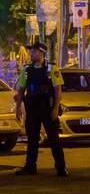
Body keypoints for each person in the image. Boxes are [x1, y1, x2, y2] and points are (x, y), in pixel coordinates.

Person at [14, 41, 68, 176]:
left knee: (53, 138)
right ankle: (30, 167)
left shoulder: (52, 68)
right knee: (32, 138)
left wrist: (55, 108)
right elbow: (20, 90)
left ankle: (61, 168)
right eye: (30, 51)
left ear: (42, 53)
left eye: (33, 51)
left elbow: (58, 90)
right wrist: (18, 108)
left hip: (47, 106)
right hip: (32, 107)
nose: (30, 53)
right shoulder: (26, 69)